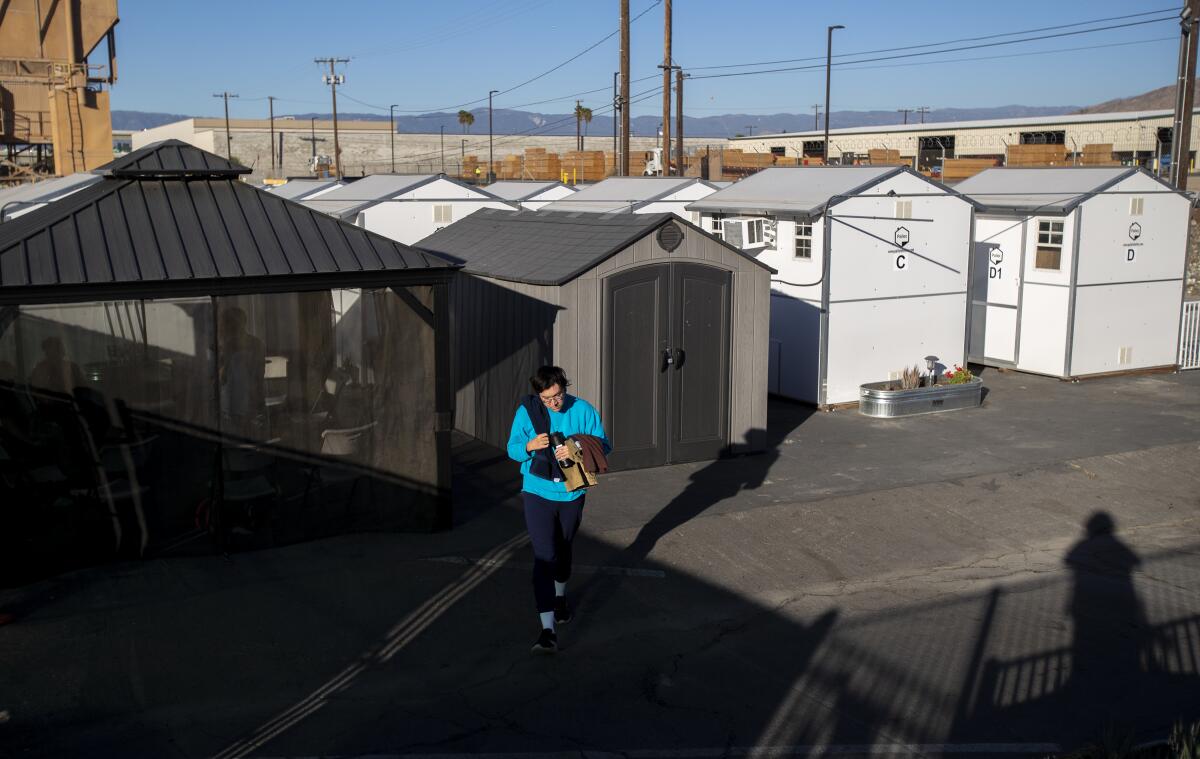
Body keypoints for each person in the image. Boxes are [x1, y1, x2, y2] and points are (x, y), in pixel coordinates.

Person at [506, 365, 609, 655]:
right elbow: (512, 449)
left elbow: (605, 447)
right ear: (538, 395)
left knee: (563, 550)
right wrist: (529, 445)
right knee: (544, 555)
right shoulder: (528, 412)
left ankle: (560, 599)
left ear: (565, 387)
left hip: (571, 493)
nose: (554, 403)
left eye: (558, 395)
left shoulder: (584, 410)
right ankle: (547, 631)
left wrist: (576, 446)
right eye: (547, 399)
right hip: (536, 491)